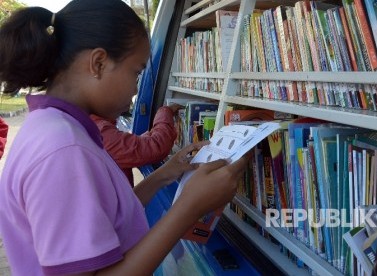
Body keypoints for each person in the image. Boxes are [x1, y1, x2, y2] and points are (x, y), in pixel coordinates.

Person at [0, 1, 249, 275]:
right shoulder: (63, 150)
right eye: (136, 72)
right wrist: (190, 207)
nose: (135, 89)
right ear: (98, 63)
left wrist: (166, 173)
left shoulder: (55, 128)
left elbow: (109, 216)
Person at [90, 103, 182, 186]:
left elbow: (134, 146)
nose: (135, 91)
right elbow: (157, 146)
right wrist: (165, 112)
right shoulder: (102, 133)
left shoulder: (93, 126)